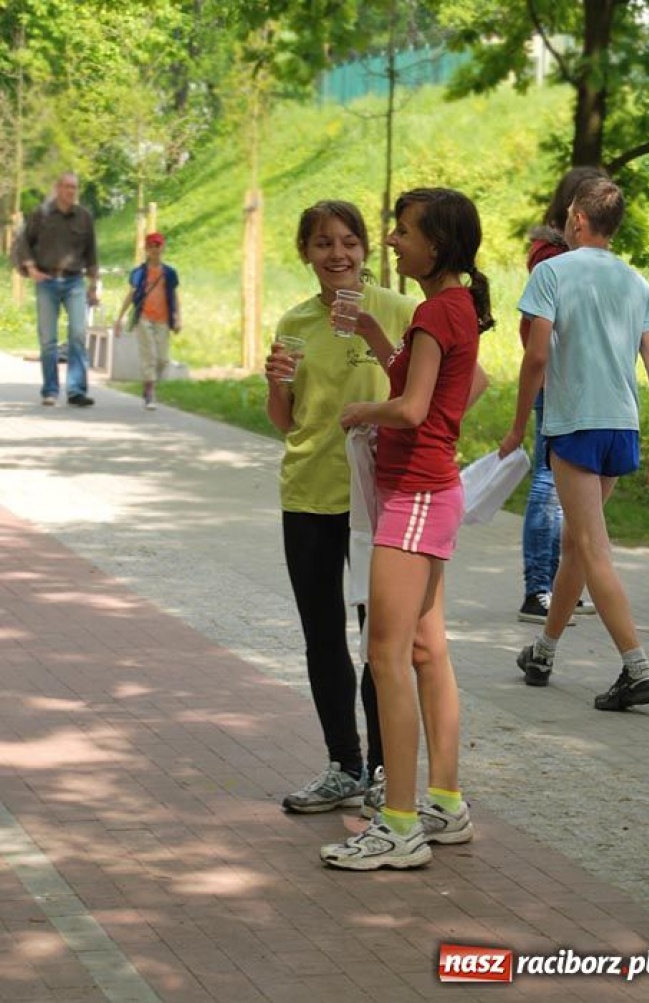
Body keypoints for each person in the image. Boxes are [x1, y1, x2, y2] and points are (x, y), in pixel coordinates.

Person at [320, 187, 493, 870]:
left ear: (437, 244)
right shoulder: (451, 309)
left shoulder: (435, 311)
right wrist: (373, 337)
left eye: (403, 231)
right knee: (424, 650)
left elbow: (416, 407)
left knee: (386, 656)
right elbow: (463, 384)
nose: (392, 241)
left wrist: (366, 408)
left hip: (414, 496)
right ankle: (443, 805)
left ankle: (396, 824)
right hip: (431, 491)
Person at [265, 200, 418, 816]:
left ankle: (385, 768)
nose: (338, 255)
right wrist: (275, 381)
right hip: (307, 492)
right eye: (323, 243)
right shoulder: (294, 320)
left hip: (376, 501)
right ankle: (343, 765)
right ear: (305, 252)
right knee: (322, 635)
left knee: (379, 640)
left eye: (350, 242)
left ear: (367, 249)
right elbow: (285, 421)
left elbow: (428, 391)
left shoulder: (400, 311)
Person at [500, 176, 649, 711]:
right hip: (620, 427)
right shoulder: (636, 283)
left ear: (577, 219)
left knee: (592, 549)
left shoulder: (551, 271)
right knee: (577, 543)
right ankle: (544, 653)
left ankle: (637, 668)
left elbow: (534, 356)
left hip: (575, 424)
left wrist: (514, 428)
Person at [517, 167, 604, 624]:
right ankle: (537, 588)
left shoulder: (574, 256)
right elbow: (539, 330)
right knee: (549, 483)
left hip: (578, 380)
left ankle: (561, 583)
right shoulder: (550, 258)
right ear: (575, 210)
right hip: (555, 379)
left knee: (571, 486)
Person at [17, 171, 98, 407]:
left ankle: (76, 391)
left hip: (75, 281)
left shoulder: (84, 217)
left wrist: (94, 285)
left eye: (74, 187)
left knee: (78, 334)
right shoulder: (41, 214)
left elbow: (92, 252)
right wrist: (31, 269)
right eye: (66, 187)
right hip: (47, 281)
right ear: (57, 188)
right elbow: (23, 243)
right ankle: (50, 390)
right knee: (48, 340)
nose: (70, 192)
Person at [114, 232, 181, 410]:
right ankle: (150, 393)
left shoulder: (170, 273)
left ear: (163, 247)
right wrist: (120, 317)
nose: (155, 249)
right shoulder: (139, 273)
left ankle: (149, 385)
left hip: (164, 320)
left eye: (158, 245)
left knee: (163, 359)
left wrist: (178, 317)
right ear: (146, 249)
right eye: (151, 246)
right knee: (149, 355)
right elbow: (131, 294)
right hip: (144, 318)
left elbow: (174, 296)